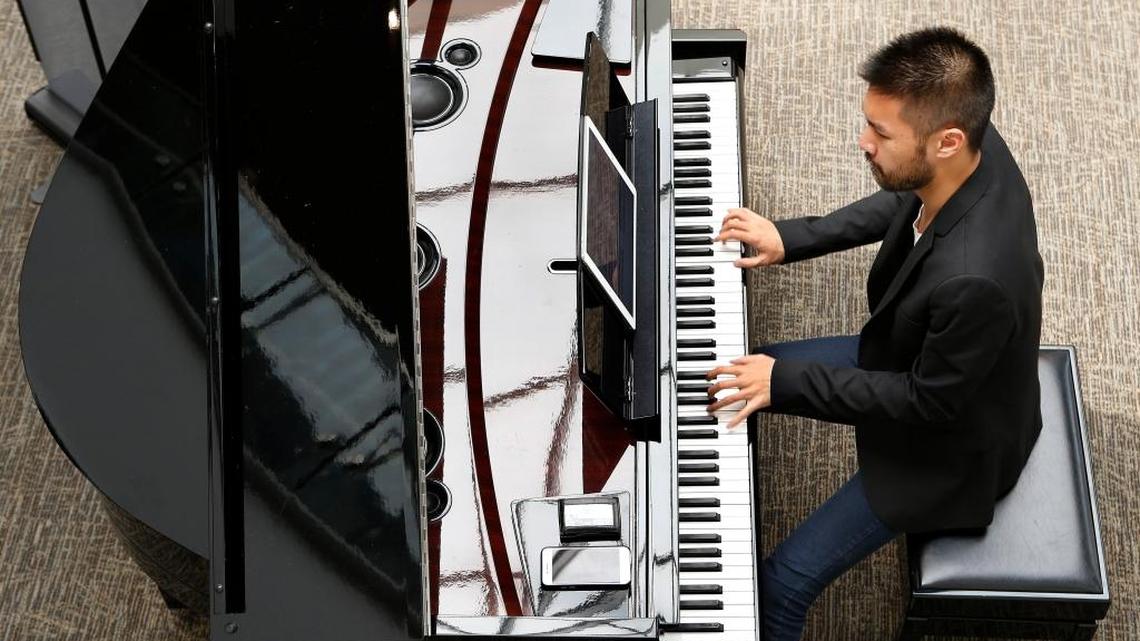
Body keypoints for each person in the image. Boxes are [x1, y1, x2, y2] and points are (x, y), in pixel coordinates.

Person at [703, 27, 1044, 640]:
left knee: (780, 585)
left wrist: (786, 383)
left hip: (946, 452)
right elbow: (904, 198)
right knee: (742, 373)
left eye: (881, 134)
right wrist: (792, 237)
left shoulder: (975, 281)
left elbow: (926, 403)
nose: (863, 144)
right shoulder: (970, 150)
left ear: (947, 141)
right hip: (913, 358)